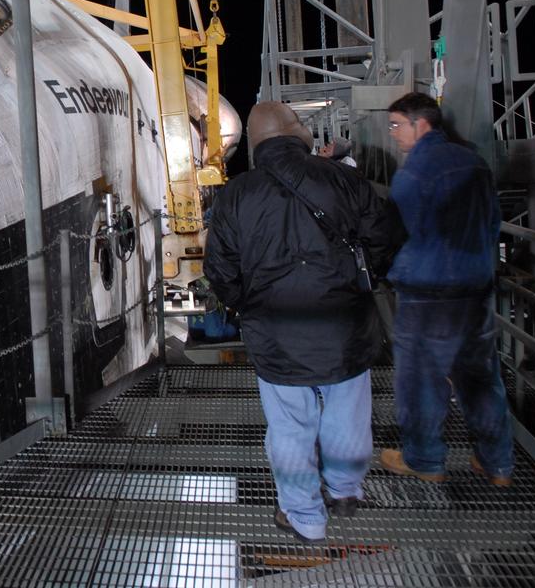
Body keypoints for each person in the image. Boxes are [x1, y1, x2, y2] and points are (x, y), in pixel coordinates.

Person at [205, 102, 402, 543]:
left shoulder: (236, 194)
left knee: (291, 426)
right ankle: (346, 491)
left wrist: (245, 306)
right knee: (348, 414)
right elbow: (383, 241)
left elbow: (220, 269)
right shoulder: (344, 179)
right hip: (344, 323)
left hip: (275, 331)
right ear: (296, 133)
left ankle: (305, 517)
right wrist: (358, 283)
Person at [381, 92, 513, 486]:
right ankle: (497, 463)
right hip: (474, 289)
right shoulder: (474, 161)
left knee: (422, 380)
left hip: (428, 294)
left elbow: (395, 232)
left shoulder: (415, 172)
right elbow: (493, 223)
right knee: (480, 379)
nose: (392, 135)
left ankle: (424, 458)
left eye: (395, 126)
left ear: (420, 124)